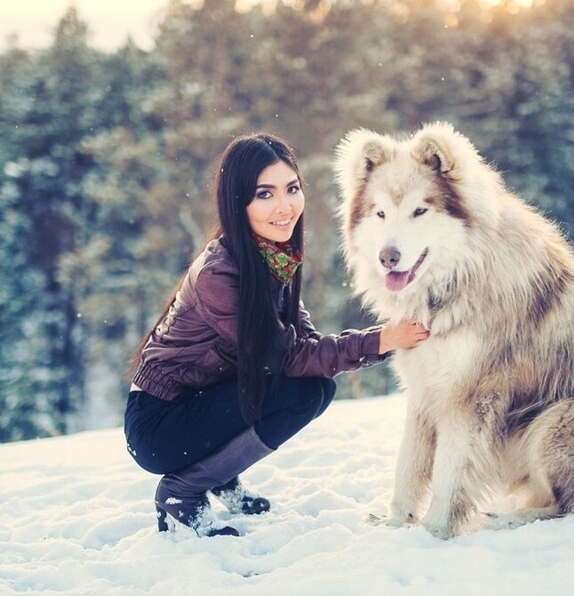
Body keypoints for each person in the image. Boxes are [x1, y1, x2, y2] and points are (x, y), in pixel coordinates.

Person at [124, 133, 429, 537]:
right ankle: (184, 489)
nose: (284, 206)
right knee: (300, 391)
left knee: (315, 387)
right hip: (161, 424)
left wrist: (382, 340)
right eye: (264, 194)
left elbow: (305, 342)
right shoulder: (221, 273)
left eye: (292, 189)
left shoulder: (270, 256)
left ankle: (218, 472)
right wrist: (382, 340)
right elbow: (288, 358)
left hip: (200, 404)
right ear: (238, 202)